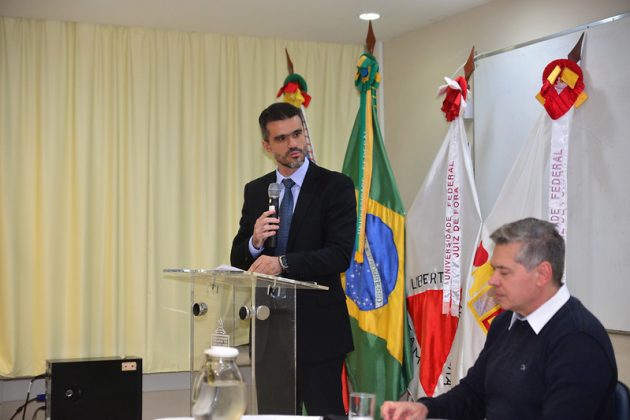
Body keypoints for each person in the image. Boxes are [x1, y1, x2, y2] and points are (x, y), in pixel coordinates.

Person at [382, 217, 618, 420]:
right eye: (493, 269)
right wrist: (424, 409)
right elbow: (474, 395)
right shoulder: (506, 323)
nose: (492, 280)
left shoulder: (578, 341)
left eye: (504, 272)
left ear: (542, 274)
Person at [230, 102, 356, 416]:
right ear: (267, 145)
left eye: (298, 134)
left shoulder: (335, 186)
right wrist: (255, 242)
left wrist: (282, 263)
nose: (293, 143)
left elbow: (339, 254)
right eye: (282, 138)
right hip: (270, 330)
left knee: (325, 413)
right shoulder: (256, 190)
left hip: (320, 331)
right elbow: (238, 257)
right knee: (276, 415)